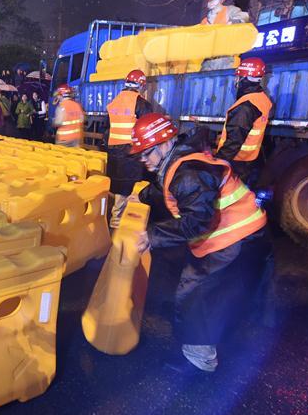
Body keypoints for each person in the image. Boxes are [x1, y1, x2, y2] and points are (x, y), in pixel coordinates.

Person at [129, 113, 271, 373]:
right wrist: (142, 195)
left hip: (233, 237)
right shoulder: (181, 161)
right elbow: (170, 187)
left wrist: (153, 235)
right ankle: (233, 332)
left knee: (193, 294)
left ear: (164, 144)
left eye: (146, 153)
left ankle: (199, 360)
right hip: (247, 233)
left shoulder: (188, 171)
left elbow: (196, 221)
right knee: (226, 292)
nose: (143, 159)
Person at [106, 69, 160, 227]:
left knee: (118, 187)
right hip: (132, 152)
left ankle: (115, 220)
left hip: (114, 151)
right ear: (141, 85)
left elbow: (107, 128)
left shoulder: (114, 102)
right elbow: (147, 129)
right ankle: (126, 223)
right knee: (131, 187)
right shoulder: (142, 103)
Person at [214, 57, 273, 188]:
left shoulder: (245, 106)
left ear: (245, 78)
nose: (236, 80)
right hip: (248, 159)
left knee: (227, 195)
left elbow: (234, 140)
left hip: (236, 161)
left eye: (238, 76)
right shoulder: (261, 98)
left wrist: (218, 163)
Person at [200, 0, 251, 71]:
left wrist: (234, 22)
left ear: (221, 0)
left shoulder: (230, 10)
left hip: (226, 58)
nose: (211, 2)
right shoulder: (205, 21)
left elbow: (243, 16)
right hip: (208, 61)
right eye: (209, 1)